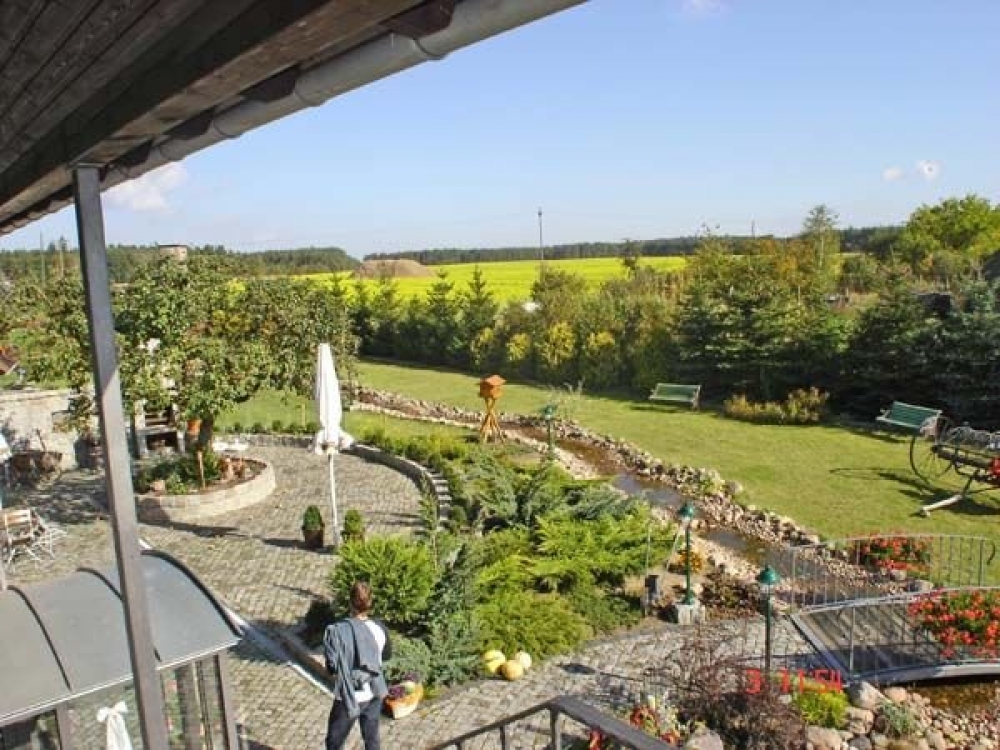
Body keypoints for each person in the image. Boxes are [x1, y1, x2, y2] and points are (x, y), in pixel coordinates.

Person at [324, 581, 392, 750]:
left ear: (350, 603)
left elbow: (332, 667)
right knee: (372, 740)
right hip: (374, 691)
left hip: (348, 696)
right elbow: (385, 656)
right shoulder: (380, 629)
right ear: (370, 604)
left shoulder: (337, 632)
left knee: (334, 742)